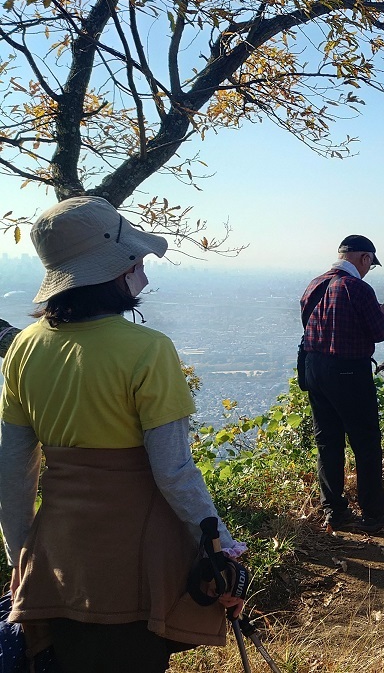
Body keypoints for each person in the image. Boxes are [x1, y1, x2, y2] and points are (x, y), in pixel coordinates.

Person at [0, 196, 245, 672]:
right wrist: (220, 549)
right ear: (114, 272)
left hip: (58, 558)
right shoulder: (148, 350)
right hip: (139, 558)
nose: (142, 272)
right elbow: (173, 471)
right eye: (134, 260)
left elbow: (13, 471)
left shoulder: (24, 350)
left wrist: (22, 556)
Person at [299, 235, 384, 534]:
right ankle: (372, 513)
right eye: (370, 263)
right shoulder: (357, 288)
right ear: (364, 258)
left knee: (327, 442)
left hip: (314, 367)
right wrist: (380, 314)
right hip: (349, 371)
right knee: (365, 442)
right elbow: (378, 333)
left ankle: (335, 511)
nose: (369, 269)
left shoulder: (314, 284)